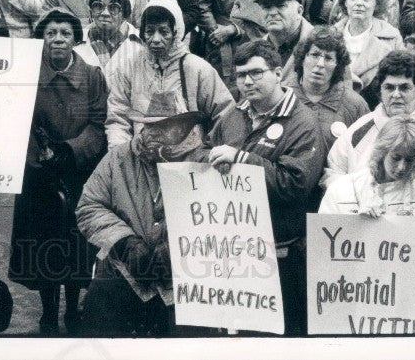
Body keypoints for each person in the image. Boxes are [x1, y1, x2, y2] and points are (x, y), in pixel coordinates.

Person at [196, 40, 324, 336]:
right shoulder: (235, 113)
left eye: (256, 73)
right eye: (241, 75)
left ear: (278, 73)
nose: (247, 81)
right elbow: (204, 150)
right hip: (232, 252)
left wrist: (242, 159)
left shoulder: (303, 123)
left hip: (280, 257)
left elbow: (295, 185)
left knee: (275, 343)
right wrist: (212, 159)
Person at [9, 9, 108, 336]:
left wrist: (68, 151)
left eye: (65, 33)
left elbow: (99, 125)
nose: (57, 40)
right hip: (39, 177)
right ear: (42, 39)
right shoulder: (26, 74)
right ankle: (48, 313)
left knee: (77, 247)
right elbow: (15, 121)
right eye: (50, 33)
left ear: (75, 39)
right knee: (44, 247)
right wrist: (40, 157)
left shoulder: (92, 76)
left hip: (80, 175)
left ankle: (73, 310)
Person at [76, 111, 211, 337]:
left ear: (186, 128)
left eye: (164, 126)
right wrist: (123, 242)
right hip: (123, 268)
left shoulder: (206, 161)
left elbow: (220, 219)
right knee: (98, 329)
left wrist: (178, 247)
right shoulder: (118, 158)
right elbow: (89, 206)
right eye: (149, 126)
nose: (152, 133)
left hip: (187, 276)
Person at [322, 50, 415, 205]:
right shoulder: (358, 131)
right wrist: (357, 204)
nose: (396, 95)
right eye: (389, 87)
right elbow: (334, 174)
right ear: (380, 92)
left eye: (404, 88)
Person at [105, 0, 233, 148]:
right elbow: (117, 118)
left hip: (188, 159)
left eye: (163, 31)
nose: (156, 39)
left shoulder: (197, 68)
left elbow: (226, 115)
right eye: (150, 31)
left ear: (175, 33)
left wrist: (209, 151)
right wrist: (123, 155)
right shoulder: (128, 67)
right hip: (141, 156)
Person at [319, 116, 415, 217]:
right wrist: (356, 224)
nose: (401, 167)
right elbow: (324, 243)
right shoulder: (341, 191)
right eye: (396, 158)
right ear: (382, 153)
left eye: (409, 160)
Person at [285, 26, 369, 156]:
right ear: (302, 59)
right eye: (314, 55)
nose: (320, 64)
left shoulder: (355, 105)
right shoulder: (281, 96)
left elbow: (364, 154)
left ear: (337, 66)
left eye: (328, 58)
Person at [332, 0, 404, 94]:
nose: (359, 2)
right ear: (345, 2)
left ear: (376, 3)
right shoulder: (331, 35)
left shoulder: (392, 37)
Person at [75, 0, 141, 70]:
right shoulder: (75, 40)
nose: (105, 13)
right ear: (91, 11)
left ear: (125, 14)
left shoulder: (141, 43)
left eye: (114, 8)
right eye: (98, 6)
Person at [255, 0, 314, 68]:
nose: (272, 13)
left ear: (299, 11)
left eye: (281, 5)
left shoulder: (319, 46)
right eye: (266, 7)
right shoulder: (256, 51)